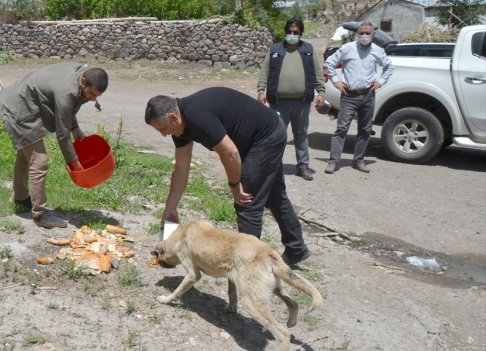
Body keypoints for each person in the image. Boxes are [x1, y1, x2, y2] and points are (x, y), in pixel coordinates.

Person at [144, 87, 311, 266]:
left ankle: (248, 265)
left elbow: (230, 153)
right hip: (258, 135)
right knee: (274, 195)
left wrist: (235, 185)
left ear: (173, 117)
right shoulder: (180, 128)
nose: (164, 134)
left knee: (247, 202)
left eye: (163, 129)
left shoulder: (197, 115)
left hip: (266, 135)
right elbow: (181, 169)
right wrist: (170, 209)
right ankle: (296, 249)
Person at [0, 63, 108, 229]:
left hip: (29, 103)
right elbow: (63, 135)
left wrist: (75, 128)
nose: (92, 99)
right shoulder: (66, 91)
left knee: (26, 155)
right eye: (91, 94)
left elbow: (68, 108)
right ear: (83, 81)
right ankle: (40, 213)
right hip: (20, 108)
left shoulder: (80, 78)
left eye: (96, 96)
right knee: (39, 161)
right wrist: (75, 162)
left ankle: (20, 197)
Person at [257, 18, 325, 181]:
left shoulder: (308, 49)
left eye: (296, 32)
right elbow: (264, 72)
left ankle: (303, 166)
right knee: (276, 135)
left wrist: (321, 92)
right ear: (286, 32)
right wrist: (261, 90)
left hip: (302, 102)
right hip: (278, 102)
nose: (292, 34)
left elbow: (317, 73)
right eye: (289, 31)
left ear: (300, 33)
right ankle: (273, 167)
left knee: (301, 134)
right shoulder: (275, 49)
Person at [324, 21, 393, 174]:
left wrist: (381, 81)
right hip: (349, 95)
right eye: (361, 32)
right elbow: (330, 62)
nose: (364, 35)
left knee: (365, 129)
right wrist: (336, 81)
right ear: (357, 33)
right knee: (341, 129)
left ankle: (359, 160)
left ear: (373, 35)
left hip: (368, 95)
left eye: (367, 33)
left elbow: (389, 67)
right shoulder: (347, 48)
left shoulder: (377, 51)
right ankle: (333, 161)